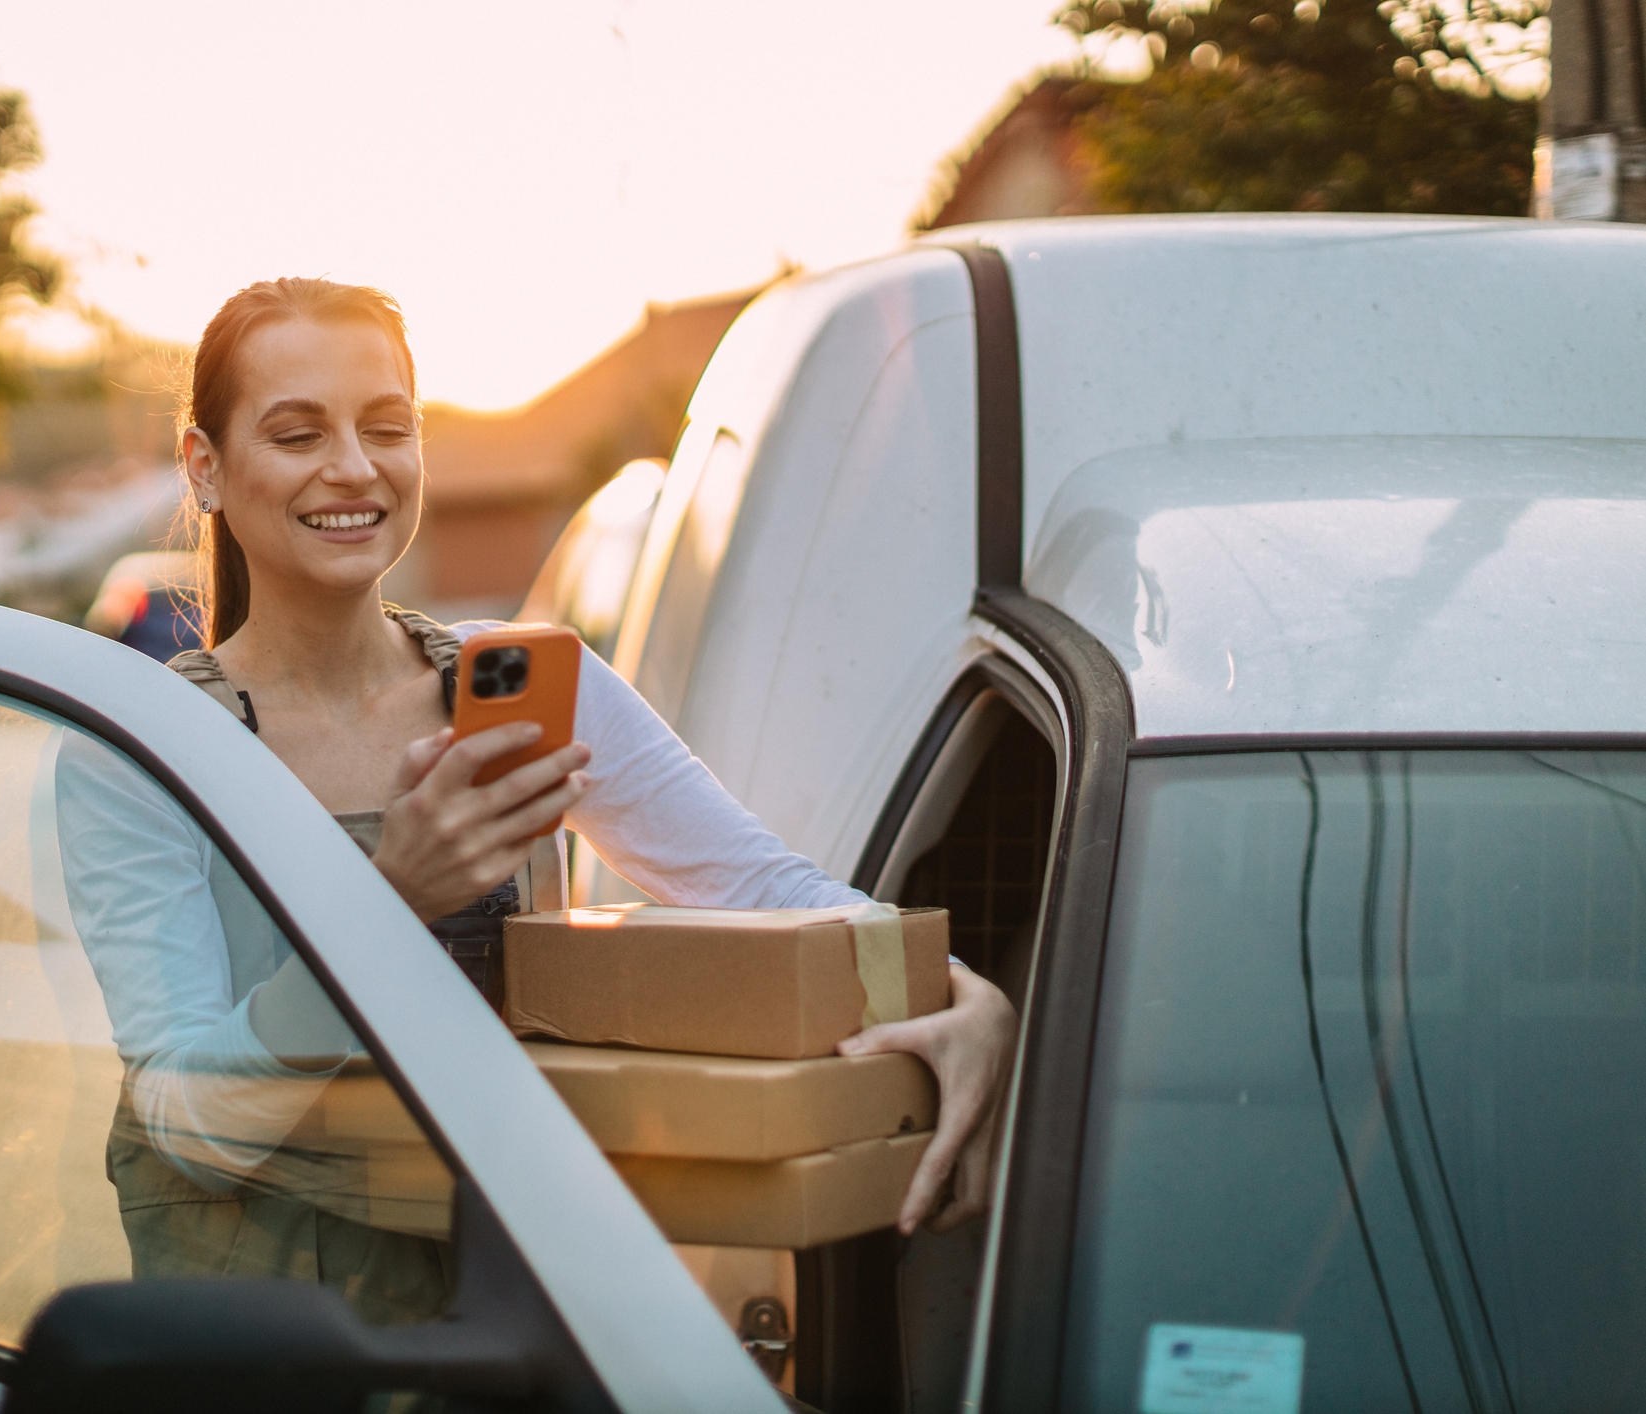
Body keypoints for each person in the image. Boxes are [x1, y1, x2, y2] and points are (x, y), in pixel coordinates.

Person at [57, 277, 1018, 1319]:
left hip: (510, 1300)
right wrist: (393, 899)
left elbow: (761, 885)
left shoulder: (516, 687)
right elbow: (194, 1121)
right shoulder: (143, 750)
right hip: (273, 1337)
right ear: (206, 466)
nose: (354, 467)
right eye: (297, 434)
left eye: (387, 427)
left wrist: (963, 993)